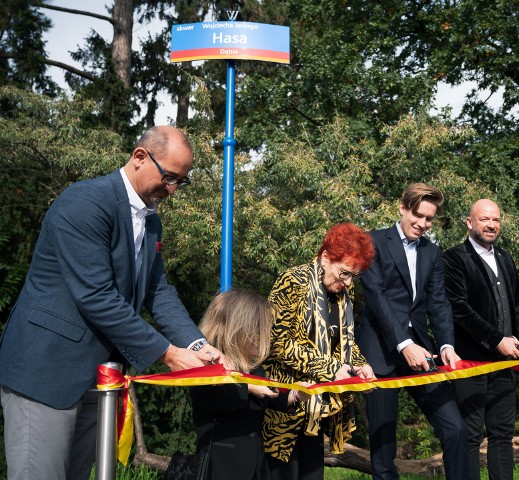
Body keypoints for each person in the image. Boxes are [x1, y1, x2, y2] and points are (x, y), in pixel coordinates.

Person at [0, 126, 226, 480]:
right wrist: (168, 353)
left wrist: (198, 344)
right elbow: (95, 295)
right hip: (46, 372)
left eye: (180, 182)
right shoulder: (85, 202)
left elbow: (158, 292)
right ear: (139, 157)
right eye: (168, 177)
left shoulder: (151, 224)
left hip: (98, 377)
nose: (171, 190)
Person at [357, 182, 469, 480]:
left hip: (423, 351)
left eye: (429, 219)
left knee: (455, 427)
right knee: (383, 446)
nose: (422, 224)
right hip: (380, 352)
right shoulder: (373, 242)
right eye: (417, 215)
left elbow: (439, 303)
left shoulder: (432, 251)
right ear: (402, 208)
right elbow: (377, 297)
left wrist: (446, 345)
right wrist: (404, 343)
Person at [262, 222, 376, 480]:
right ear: (325, 258)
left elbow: (344, 341)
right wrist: (331, 369)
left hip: (320, 409)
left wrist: (360, 365)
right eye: (345, 273)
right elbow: (276, 341)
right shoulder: (292, 281)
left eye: (354, 276)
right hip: (286, 406)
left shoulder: (344, 291)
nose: (348, 282)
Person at [442, 199, 519, 480]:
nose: (491, 225)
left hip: (506, 364)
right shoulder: (454, 259)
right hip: (471, 363)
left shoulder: (506, 258)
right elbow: (459, 309)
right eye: (485, 219)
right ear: (470, 223)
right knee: (471, 436)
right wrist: (496, 339)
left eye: (496, 220)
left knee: (502, 435)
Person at [190, 289, 309, 480]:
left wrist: (295, 395)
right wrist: (250, 388)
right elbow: (209, 397)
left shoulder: (251, 365)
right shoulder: (206, 361)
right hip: (221, 467)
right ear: (240, 329)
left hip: (257, 465)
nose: (264, 337)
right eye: (259, 330)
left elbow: (269, 397)